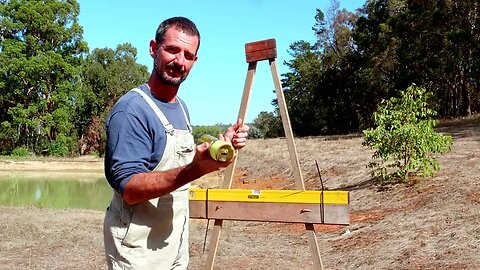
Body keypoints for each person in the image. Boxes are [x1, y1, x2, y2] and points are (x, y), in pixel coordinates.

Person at [103, 17, 249, 270]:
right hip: (138, 251)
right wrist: (196, 170)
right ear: (153, 48)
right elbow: (130, 188)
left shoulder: (181, 108)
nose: (179, 61)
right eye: (172, 50)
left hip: (174, 242)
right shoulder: (132, 110)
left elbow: (175, 160)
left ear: (194, 61)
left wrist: (220, 148)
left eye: (188, 55)